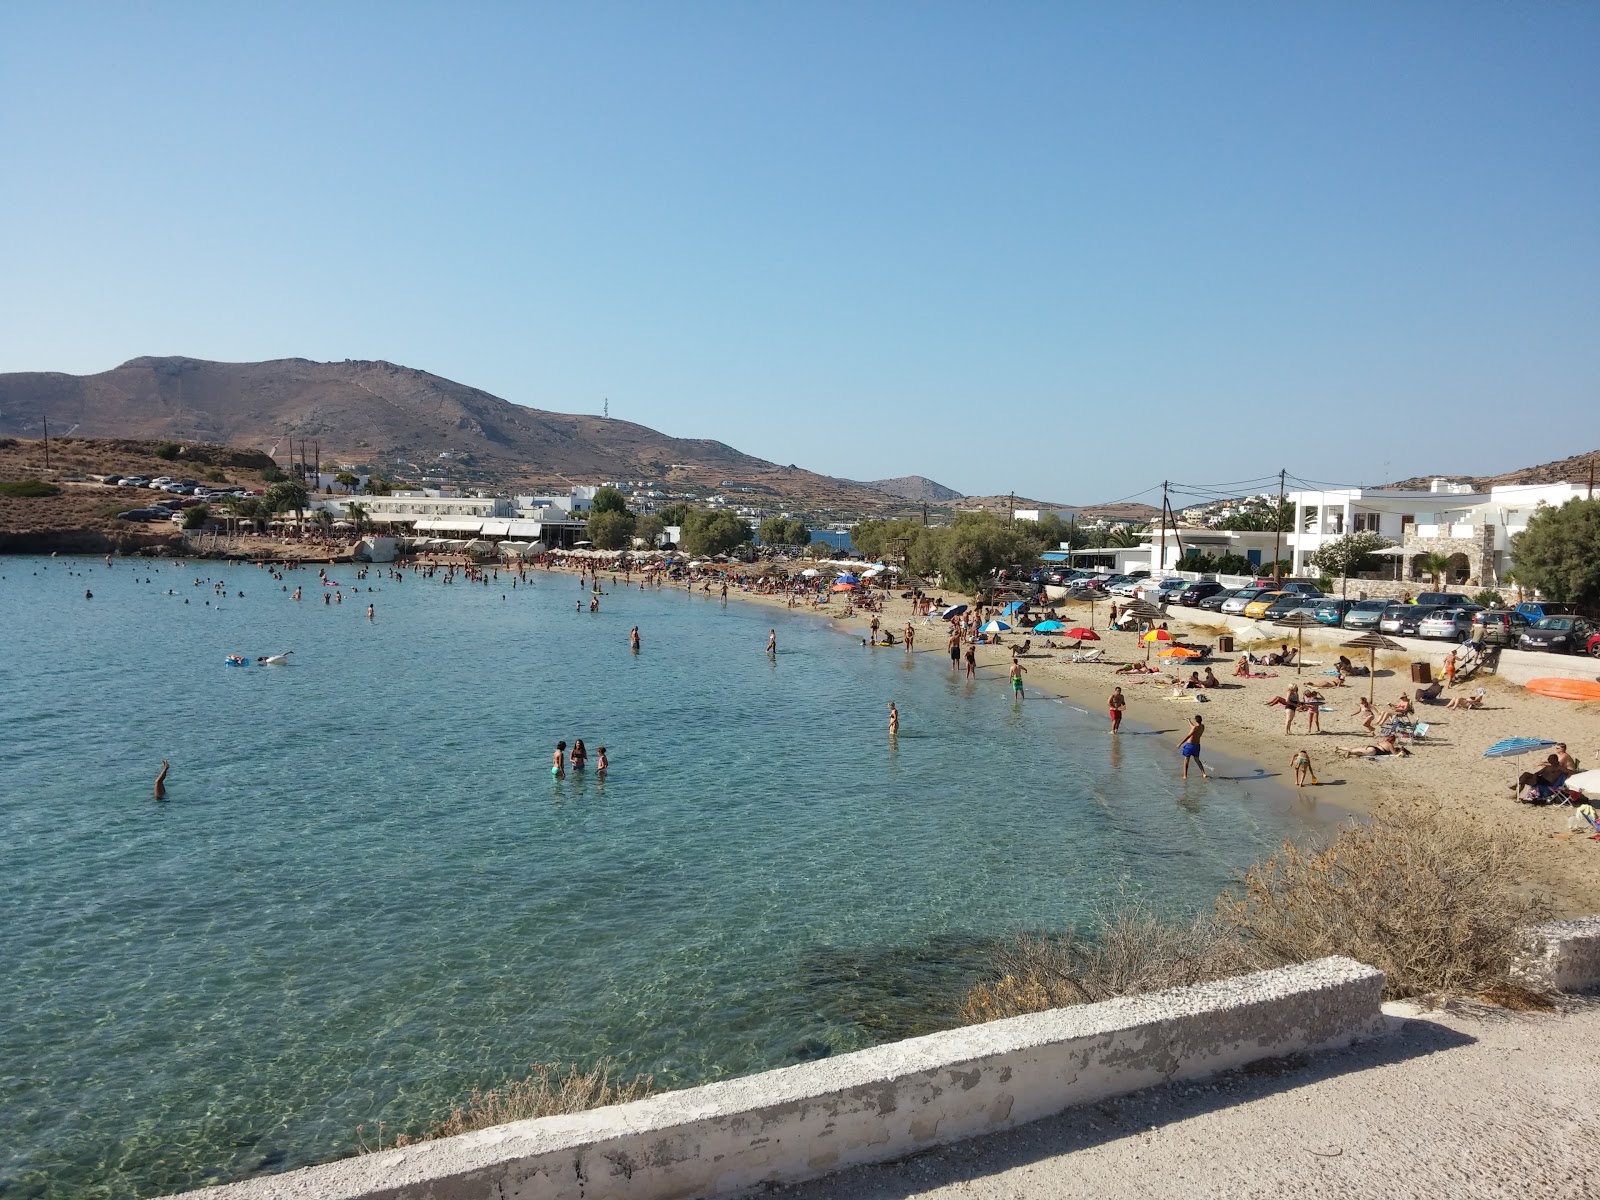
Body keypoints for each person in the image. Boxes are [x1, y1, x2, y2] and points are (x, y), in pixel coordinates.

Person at [1178, 715, 1210, 779]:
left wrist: (1180, 743)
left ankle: (1185, 776)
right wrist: (1189, 721)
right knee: (1197, 760)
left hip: (1190, 745)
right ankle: (1204, 773)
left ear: (1196, 720)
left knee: (1186, 760)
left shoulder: (1194, 728)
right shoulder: (1202, 727)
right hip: (1197, 746)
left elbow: (1188, 736)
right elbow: (1193, 727)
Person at [1336, 734, 1410, 758]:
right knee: (1361, 754)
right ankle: (1350, 753)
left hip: (1371, 747)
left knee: (1353, 749)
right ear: (1393, 741)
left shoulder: (1384, 741)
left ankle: (1340, 748)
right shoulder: (1390, 745)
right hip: (1374, 751)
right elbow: (1394, 754)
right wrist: (1399, 751)